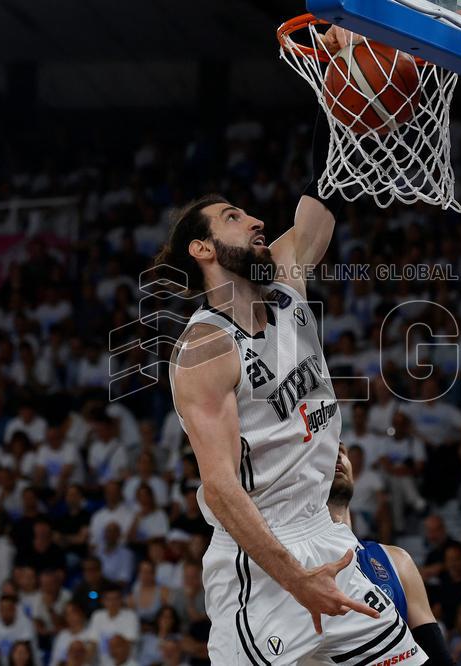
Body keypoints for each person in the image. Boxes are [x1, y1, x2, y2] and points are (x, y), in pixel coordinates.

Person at [160, 31, 424, 661]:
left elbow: (323, 189)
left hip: (324, 537)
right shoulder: (205, 348)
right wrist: (290, 574)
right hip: (262, 566)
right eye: (231, 217)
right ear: (202, 250)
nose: (254, 221)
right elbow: (222, 489)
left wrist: (342, 79)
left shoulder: (285, 280)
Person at [327, 443, 453, 664]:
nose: (337, 455)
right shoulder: (294, 569)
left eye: (342, 450)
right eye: (325, 450)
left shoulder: (396, 559)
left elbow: (436, 653)